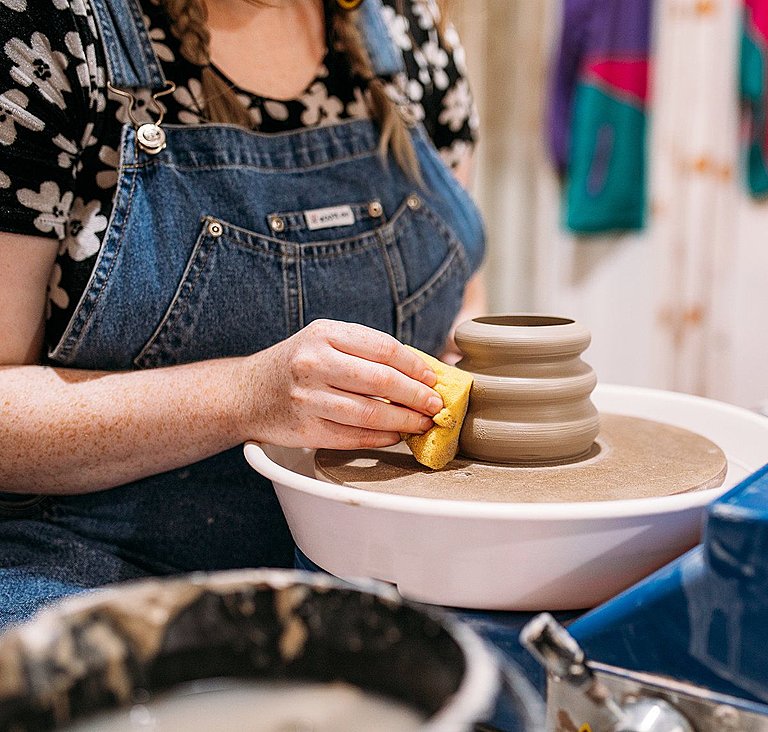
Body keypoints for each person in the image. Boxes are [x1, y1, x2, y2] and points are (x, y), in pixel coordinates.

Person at [0, 0, 485, 627]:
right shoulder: (48, 30)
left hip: (387, 557)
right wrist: (248, 395)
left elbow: (461, 309)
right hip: (99, 563)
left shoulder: (405, 30)